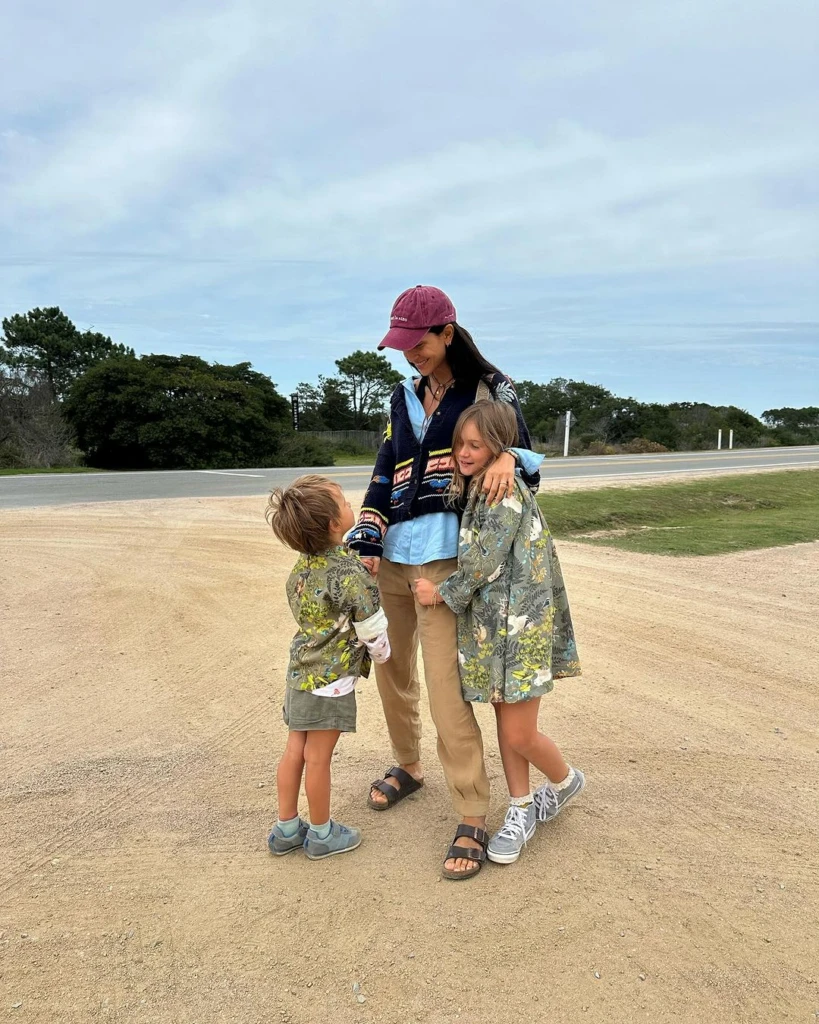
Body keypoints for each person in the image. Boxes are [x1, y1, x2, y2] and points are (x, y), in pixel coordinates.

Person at [346, 284, 541, 879]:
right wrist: (368, 537)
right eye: (402, 345)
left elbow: (528, 457)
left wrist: (511, 458)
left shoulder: (490, 389)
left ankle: (473, 812)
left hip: (446, 562)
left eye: (419, 343)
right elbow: (386, 469)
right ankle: (408, 765)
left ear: (447, 333)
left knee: (447, 689)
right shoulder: (403, 394)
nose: (410, 355)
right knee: (390, 669)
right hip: (394, 560)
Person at [414, 401, 583, 866]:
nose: (464, 453)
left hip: (521, 628)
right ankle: (522, 808)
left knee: (520, 733)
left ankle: (566, 781)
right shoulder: (482, 483)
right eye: (460, 444)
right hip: (498, 629)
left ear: (499, 447)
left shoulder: (502, 490)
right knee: (506, 724)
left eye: (475, 445)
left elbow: (484, 560)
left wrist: (438, 592)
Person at [265, 475, 391, 860]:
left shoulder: (300, 571)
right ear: (335, 524)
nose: (350, 503)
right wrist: (384, 655)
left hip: (300, 673)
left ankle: (287, 828)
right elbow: (370, 625)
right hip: (331, 681)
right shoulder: (349, 573)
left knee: (294, 752)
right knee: (319, 758)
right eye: (343, 501)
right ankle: (321, 833)